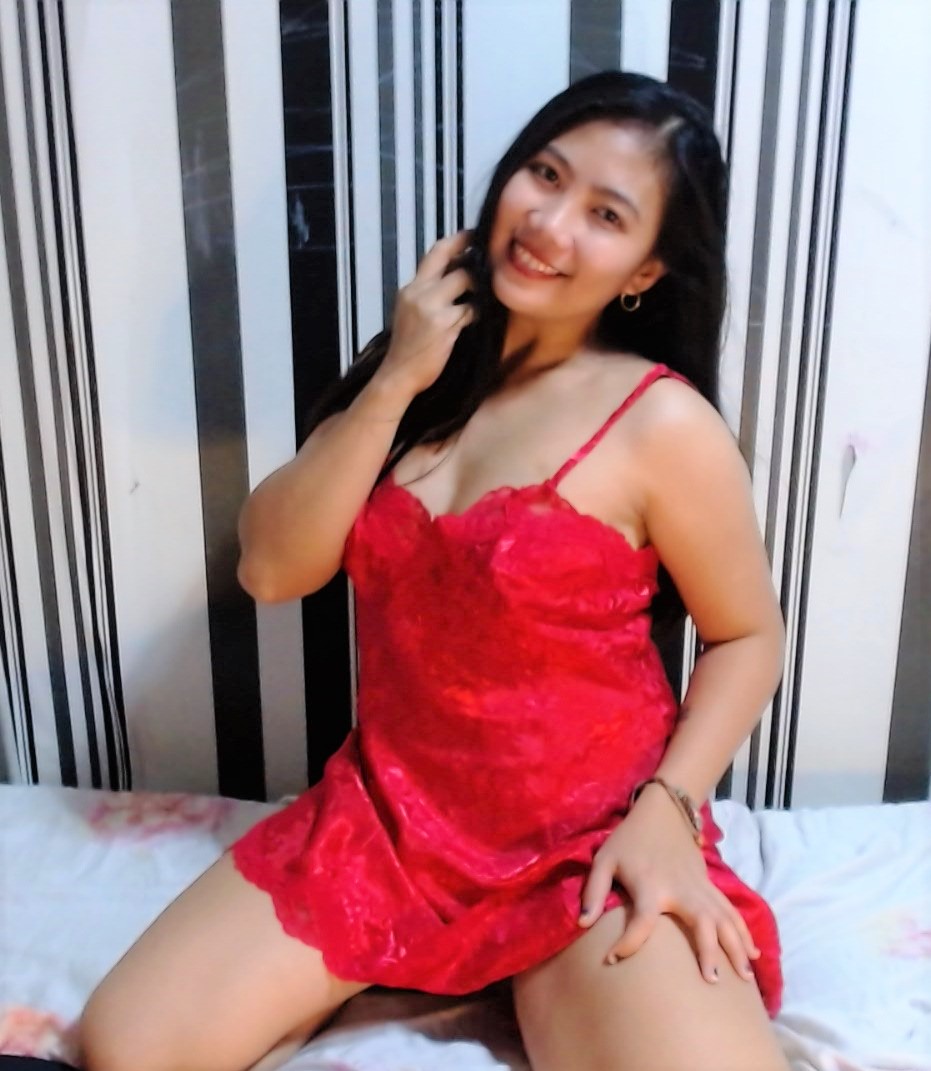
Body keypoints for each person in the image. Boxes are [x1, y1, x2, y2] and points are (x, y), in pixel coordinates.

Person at [79, 72, 791, 1071]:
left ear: (644, 269)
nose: (548, 223)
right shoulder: (419, 372)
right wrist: (399, 375)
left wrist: (667, 808)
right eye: (544, 174)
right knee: (124, 1048)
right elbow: (272, 568)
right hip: (383, 825)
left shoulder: (660, 420)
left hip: (586, 840)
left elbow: (746, 635)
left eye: (604, 214)